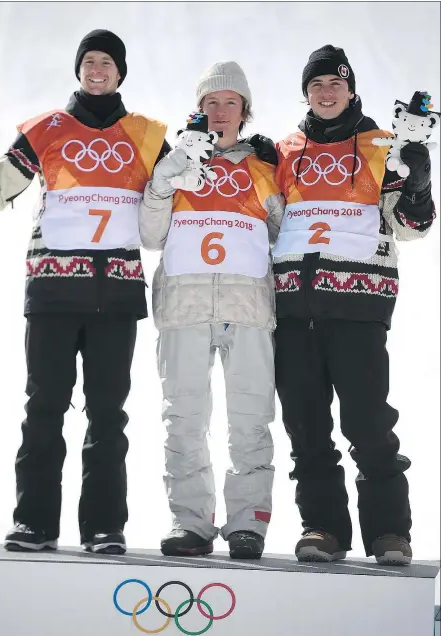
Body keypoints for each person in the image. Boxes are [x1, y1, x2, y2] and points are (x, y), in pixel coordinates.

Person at [0, 29, 170, 554]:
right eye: (89, 61)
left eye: (107, 62)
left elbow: (177, 200)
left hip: (115, 297)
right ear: (79, 70)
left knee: (108, 414)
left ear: (120, 72)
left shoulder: (149, 135)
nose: (98, 69)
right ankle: (34, 523)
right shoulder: (46, 129)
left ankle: (103, 526)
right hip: (52, 290)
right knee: (44, 406)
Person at [272, 45, 436, 565]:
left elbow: (412, 227)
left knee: (368, 423)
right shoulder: (282, 150)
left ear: (350, 89)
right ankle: (323, 528)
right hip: (294, 309)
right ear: (306, 92)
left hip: (359, 306)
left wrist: (420, 179)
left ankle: (390, 532)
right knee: (306, 426)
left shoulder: (381, 145)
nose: (326, 92)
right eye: (317, 84)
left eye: (335, 85)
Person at [139, 61, 282, 559]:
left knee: (250, 419)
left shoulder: (265, 168)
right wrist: (163, 182)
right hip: (184, 305)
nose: (219, 112)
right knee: (184, 419)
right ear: (198, 109)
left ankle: (248, 523)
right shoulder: (175, 161)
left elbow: (286, 235)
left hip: (247, 308)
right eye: (211, 102)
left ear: (244, 111)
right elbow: (150, 235)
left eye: (230, 103)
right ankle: (191, 522)